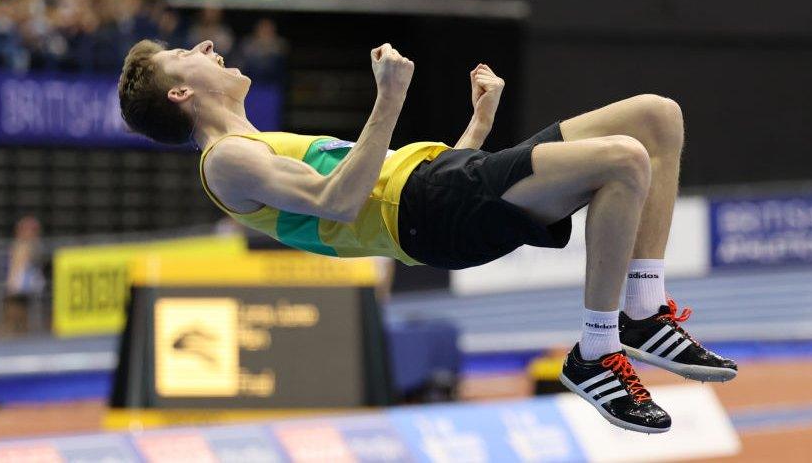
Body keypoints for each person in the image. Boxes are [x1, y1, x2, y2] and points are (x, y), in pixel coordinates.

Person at [118, 39, 737, 433]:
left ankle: (644, 310)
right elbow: (341, 201)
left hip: (439, 189)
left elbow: (400, 183)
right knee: (626, 158)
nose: (204, 44)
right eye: (184, 52)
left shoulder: (254, 145)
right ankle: (600, 349)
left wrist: (479, 124)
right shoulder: (226, 159)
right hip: (429, 211)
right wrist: (388, 98)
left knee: (656, 116)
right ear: (181, 92)